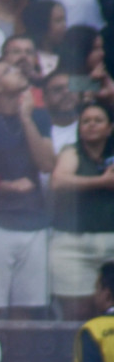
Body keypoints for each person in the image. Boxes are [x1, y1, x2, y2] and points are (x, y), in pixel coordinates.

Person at [0, 60, 55, 318]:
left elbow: (47, 164)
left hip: (34, 222)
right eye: (8, 71)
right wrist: (7, 186)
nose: (17, 70)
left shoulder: (39, 115)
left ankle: (22, 360)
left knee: (26, 308)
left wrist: (27, 118)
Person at [47, 99, 114, 322]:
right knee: (77, 314)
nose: (91, 124)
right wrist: (102, 182)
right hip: (73, 245)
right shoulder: (71, 151)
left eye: (98, 120)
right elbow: (59, 182)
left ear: (110, 127)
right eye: (86, 121)